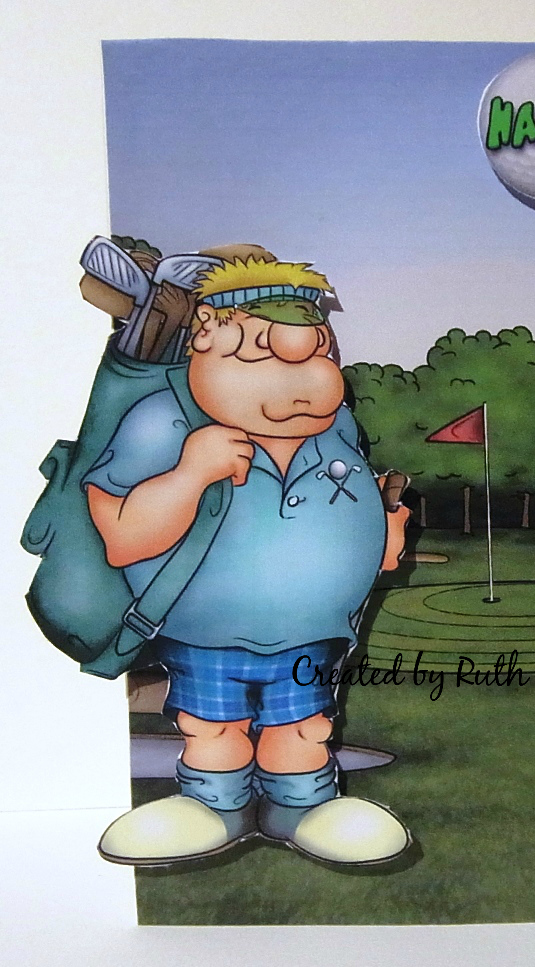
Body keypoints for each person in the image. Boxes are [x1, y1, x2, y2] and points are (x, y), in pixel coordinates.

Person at [85, 250, 412, 866]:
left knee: (304, 725)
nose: (302, 386)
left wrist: (379, 537)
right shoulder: (164, 423)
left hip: (312, 634)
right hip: (207, 633)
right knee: (214, 726)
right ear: (204, 340)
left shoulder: (337, 427)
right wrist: (190, 474)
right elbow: (122, 536)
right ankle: (214, 804)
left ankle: (303, 805)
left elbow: (349, 500)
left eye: (315, 356)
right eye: (259, 357)